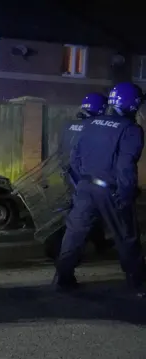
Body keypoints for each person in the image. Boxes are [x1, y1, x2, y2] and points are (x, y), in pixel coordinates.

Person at [54, 82, 145, 297]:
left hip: (85, 187)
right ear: (132, 104)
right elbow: (125, 167)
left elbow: (74, 159)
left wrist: (82, 185)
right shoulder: (131, 130)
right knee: (127, 236)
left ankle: (63, 278)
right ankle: (138, 284)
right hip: (110, 190)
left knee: (74, 235)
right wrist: (126, 194)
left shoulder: (90, 123)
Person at [45, 93, 114, 258]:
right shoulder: (93, 127)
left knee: (88, 211)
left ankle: (99, 242)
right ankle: (64, 250)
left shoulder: (69, 125)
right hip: (85, 177)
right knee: (86, 213)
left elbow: (61, 149)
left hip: (69, 175)